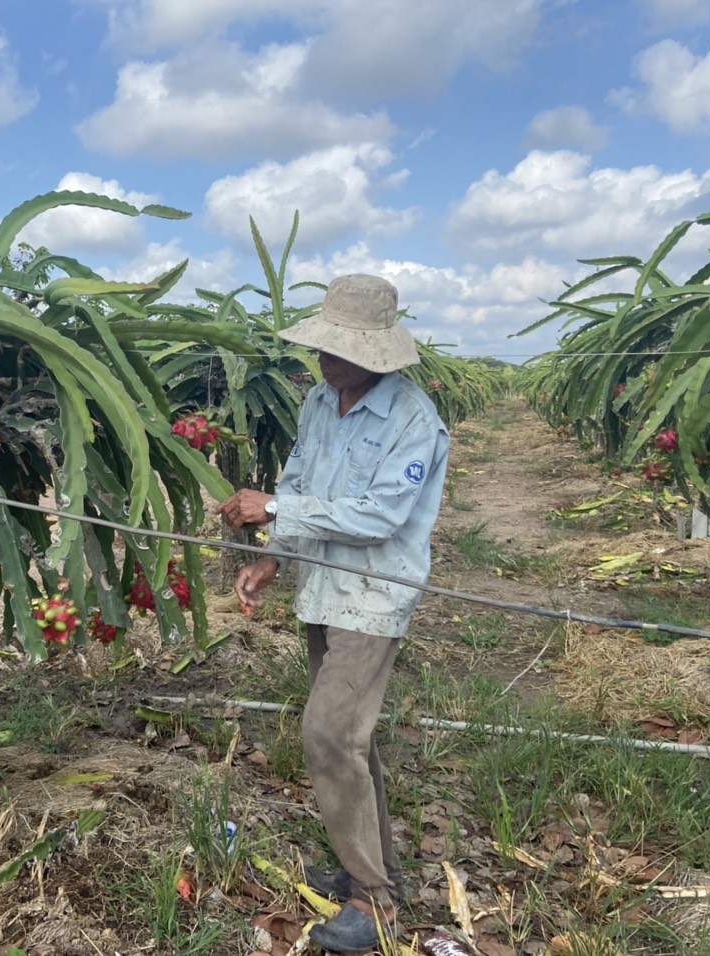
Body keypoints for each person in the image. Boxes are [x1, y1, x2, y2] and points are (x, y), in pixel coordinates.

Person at [218, 274, 449, 954]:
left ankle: (375, 907)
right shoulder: (321, 401)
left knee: (328, 735)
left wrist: (277, 510)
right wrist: (276, 559)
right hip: (322, 587)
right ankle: (366, 869)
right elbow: (299, 482)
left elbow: (380, 514)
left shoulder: (414, 421)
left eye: (342, 349)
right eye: (323, 347)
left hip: (374, 594)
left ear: (381, 352)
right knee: (353, 740)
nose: (325, 361)